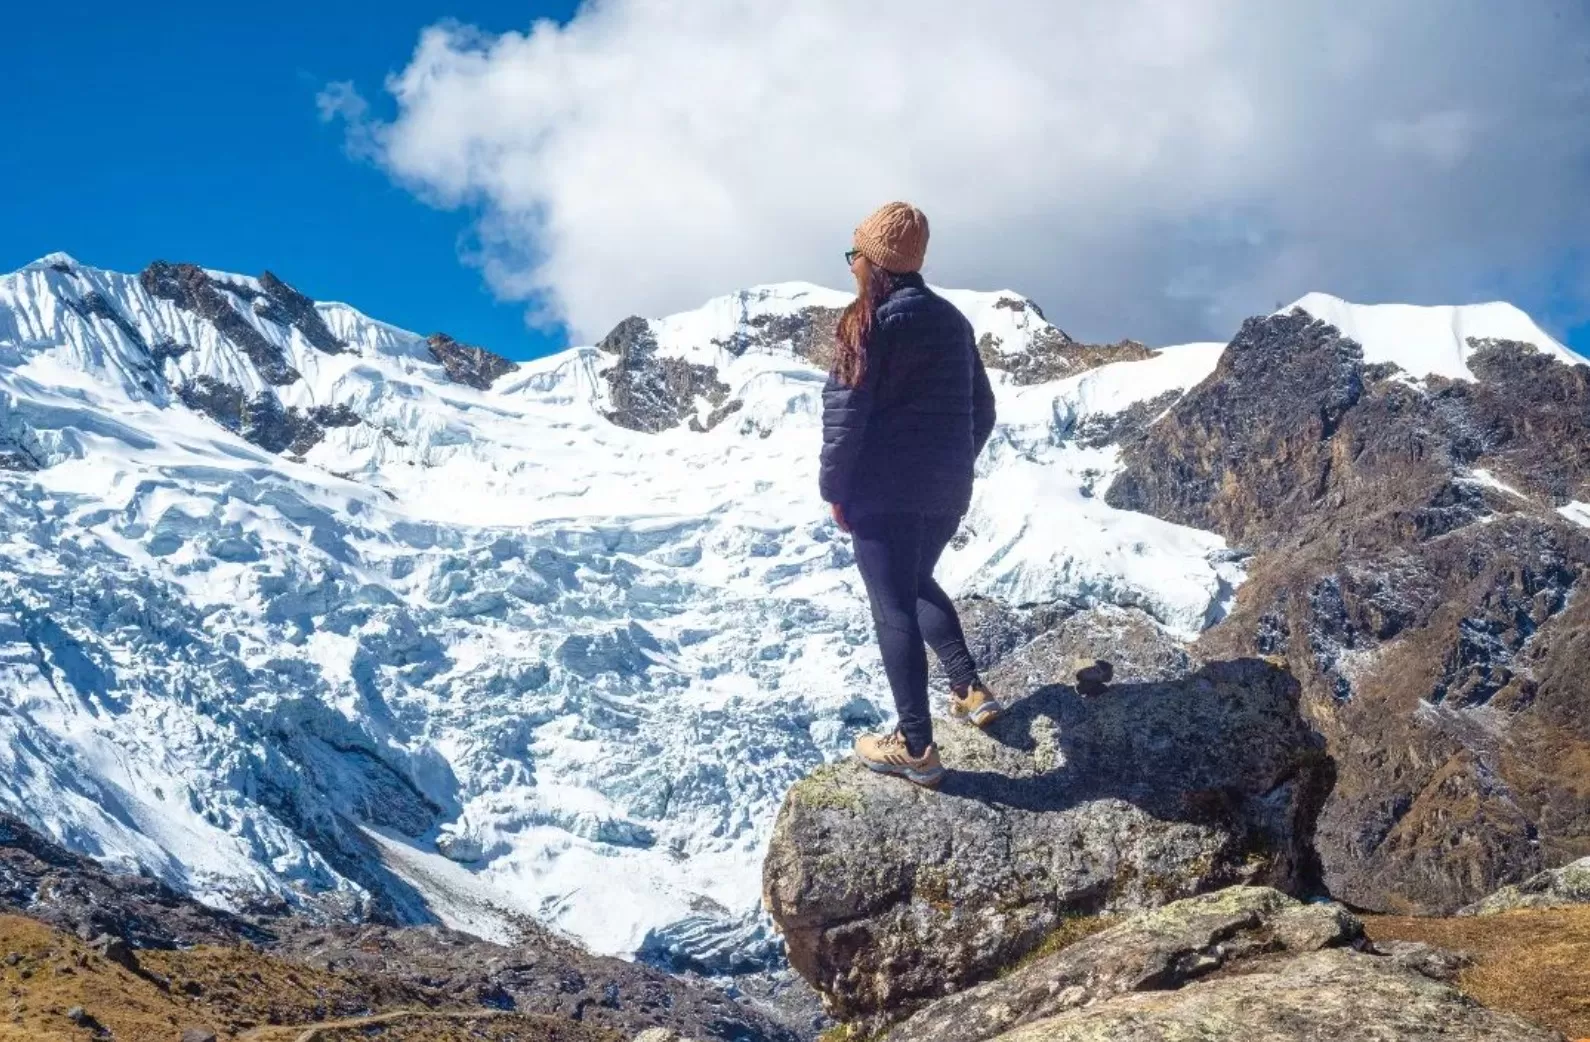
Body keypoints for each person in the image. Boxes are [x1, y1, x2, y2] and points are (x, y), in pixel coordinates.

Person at [820, 201, 1000, 789]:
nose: (852, 268)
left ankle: (916, 746)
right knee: (916, 583)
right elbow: (984, 409)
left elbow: (846, 419)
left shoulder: (866, 322)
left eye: (857, 257)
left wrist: (836, 490)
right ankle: (969, 689)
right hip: (944, 493)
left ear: (876, 263)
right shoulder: (952, 321)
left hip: (882, 493)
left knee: (890, 606)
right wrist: (951, 465)